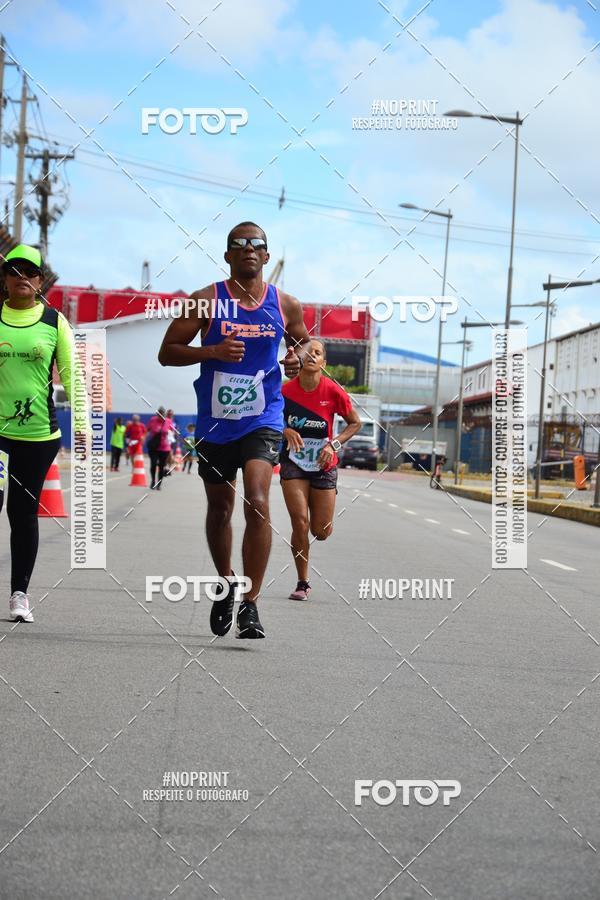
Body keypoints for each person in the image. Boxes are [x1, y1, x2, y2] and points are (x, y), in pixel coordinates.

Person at [159, 221, 310, 639]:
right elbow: (167, 353)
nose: (248, 249)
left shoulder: (286, 304)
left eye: (256, 244)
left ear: (266, 255)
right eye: (239, 244)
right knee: (220, 509)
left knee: (257, 500)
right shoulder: (205, 301)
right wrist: (212, 351)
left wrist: (296, 359)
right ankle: (226, 581)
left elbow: (302, 343)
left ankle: (251, 603)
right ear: (227, 255)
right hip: (216, 421)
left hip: (263, 418)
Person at [0, 244, 82, 623]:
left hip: (38, 437)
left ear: (39, 281)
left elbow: (73, 376)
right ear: (5, 278)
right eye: (14, 270)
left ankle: (20, 594)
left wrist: (82, 426)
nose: (22, 277)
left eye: (29, 272)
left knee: (22, 512)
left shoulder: (54, 322)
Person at [280, 340, 361, 600]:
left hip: (323, 465)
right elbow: (269, 417)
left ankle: (323, 521)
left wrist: (333, 444)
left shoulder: (333, 391)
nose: (312, 355)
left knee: (321, 531)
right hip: (293, 462)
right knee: (299, 522)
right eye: (308, 352)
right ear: (300, 359)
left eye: (318, 353)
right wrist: (285, 430)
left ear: (323, 363)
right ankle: (302, 582)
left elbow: (355, 423)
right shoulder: (285, 391)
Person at [146, 406, 173, 490]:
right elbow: (147, 430)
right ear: (157, 414)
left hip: (164, 448)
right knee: (153, 464)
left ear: (164, 414)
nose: (160, 416)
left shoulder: (168, 421)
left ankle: (159, 484)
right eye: (159, 414)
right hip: (154, 447)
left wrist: (170, 435)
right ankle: (153, 481)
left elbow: (172, 433)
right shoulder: (152, 420)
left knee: (161, 466)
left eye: (162, 414)